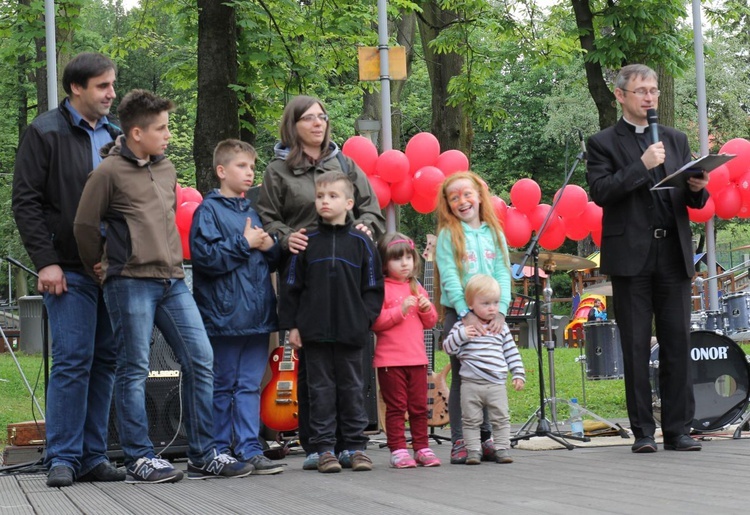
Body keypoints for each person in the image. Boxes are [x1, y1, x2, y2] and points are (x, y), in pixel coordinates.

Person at [74, 90, 254, 483]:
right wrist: (98, 267)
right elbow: (85, 226)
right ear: (136, 133)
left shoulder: (167, 167)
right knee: (134, 367)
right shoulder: (107, 173)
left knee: (201, 358)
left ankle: (204, 453)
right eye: (161, 128)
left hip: (172, 280)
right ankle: (140, 457)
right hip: (129, 282)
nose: (168, 134)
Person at [11, 52, 123, 488]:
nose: (111, 93)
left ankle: (94, 456)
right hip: (69, 270)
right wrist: (47, 262)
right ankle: (62, 457)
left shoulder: (116, 135)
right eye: (103, 86)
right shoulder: (44, 132)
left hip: (113, 272)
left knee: (106, 361)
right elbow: (26, 203)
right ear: (77, 88)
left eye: (112, 85)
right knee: (74, 361)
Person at [257, 95, 385, 470]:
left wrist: (366, 227)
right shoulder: (277, 171)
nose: (318, 123)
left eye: (322, 117)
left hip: (347, 275)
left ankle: (352, 444)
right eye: (309, 118)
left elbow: (371, 208)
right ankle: (317, 446)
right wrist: (285, 237)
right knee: (314, 373)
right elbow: (267, 217)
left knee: (349, 373)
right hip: (306, 269)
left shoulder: (344, 163)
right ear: (293, 125)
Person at [586, 64, 709, 453]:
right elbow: (602, 192)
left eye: (653, 90)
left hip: (672, 253)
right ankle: (642, 432)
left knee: (677, 343)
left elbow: (691, 202)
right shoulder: (602, 142)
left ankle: (678, 430)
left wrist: (697, 188)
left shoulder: (675, 138)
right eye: (641, 91)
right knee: (636, 346)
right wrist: (642, 167)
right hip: (630, 257)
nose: (650, 97)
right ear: (621, 96)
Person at [189, 139, 284, 475]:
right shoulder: (208, 211)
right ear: (221, 171)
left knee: (248, 384)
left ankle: (248, 448)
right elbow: (206, 259)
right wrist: (246, 242)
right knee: (222, 383)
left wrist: (271, 246)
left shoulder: (252, 211)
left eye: (252, 166)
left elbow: (269, 260)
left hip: (257, 315)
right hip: (223, 316)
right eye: (242, 166)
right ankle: (216, 449)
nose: (250, 172)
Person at [279, 171, 384, 473]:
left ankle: (354, 446)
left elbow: (374, 287)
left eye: (333, 196)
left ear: (349, 202)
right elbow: (291, 286)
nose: (325, 201)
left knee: (353, 388)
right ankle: (323, 448)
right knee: (319, 389)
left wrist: (365, 318)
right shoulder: (306, 241)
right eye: (320, 196)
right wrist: (293, 325)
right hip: (315, 333)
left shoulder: (363, 243)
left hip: (352, 333)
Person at [434, 171, 513, 464]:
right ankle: (461, 441)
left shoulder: (495, 233)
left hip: (491, 314)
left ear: (480, 196)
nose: (462, 201)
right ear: (448, 205)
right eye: (454, 197)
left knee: (489, 373)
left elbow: (503, 273)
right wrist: (465, 315)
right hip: (460, 315)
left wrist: (501, 310)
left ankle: (487, 439)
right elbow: (451, 278)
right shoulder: (448, 235)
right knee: (463, 379)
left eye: (467, 194)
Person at [371, 233, 441, 469]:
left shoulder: (417, 286)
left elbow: (431, 322)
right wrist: (399, 310)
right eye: (397, 259)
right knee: (397, 407)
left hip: (417, 359)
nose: (404, 264)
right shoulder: (381, 289)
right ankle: (398, 449)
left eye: (408, 258)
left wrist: (426, 308)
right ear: (384, 263)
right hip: (390, 360)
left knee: (420, 407)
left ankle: (422, 447)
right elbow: (375, 322)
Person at [443, 274, 525, 464]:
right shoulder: (461, 327)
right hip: (471, 384)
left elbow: (511, 352)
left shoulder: (500, 328)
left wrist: (518, 373)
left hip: (496, 383)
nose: (492, 308)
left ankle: (503, 449)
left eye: (496, 303)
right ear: (470, 305)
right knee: (470, 420)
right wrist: (462, 335)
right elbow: (449, 348)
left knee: (501, 418)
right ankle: (473, 451)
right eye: (486, 303)